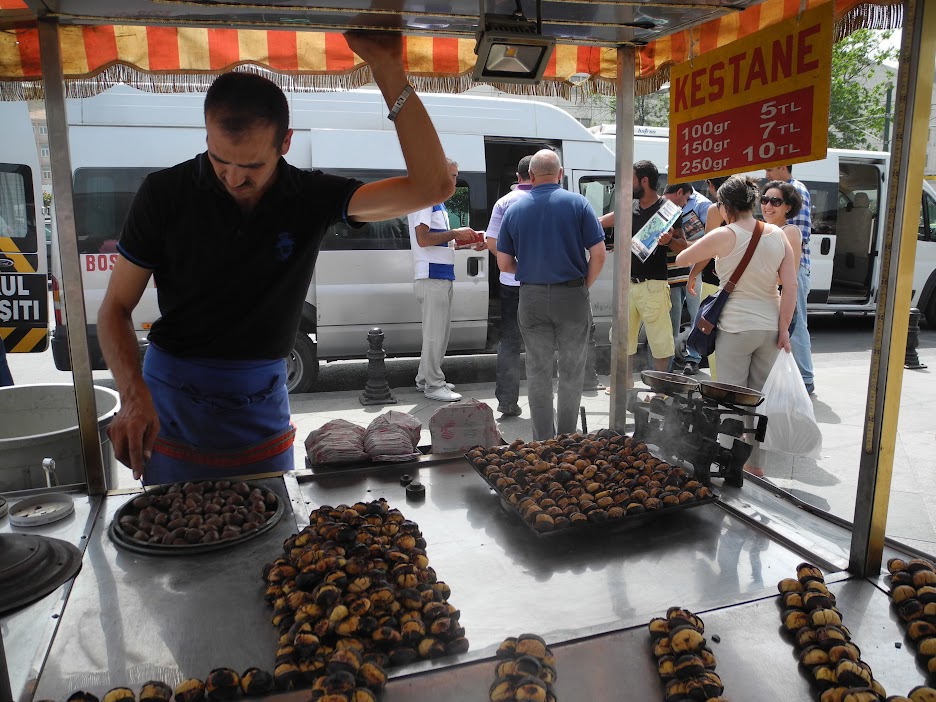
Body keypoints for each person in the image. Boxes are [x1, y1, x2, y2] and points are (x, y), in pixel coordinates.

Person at [98, 32, 456, 485]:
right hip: (171, 398)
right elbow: (114, 309)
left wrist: (388, 70)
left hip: (262, 395)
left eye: (251, 168)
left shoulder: (309, 196)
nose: (232, 178)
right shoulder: (163, 193)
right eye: (219, 160)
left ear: (284, 143)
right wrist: (132, 396)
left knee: (271, 530)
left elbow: (433, 187)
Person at [676, 176, 797, 476]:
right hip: (769, 327)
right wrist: (784, 329)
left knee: (729, 400)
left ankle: (726, 464)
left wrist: (711, 240)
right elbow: (791, 285)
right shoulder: (777, 234)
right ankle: (756, 466)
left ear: (725, 206)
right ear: (754, 203)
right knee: (757, 402)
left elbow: (682, 258)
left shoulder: (725, 234)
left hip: (735, 327)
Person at [496, 149, 606, 441]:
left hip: (530, 298)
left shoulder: (514, 210)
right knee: (571, 372)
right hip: (571, 296)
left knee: (538, 372)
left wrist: (531, 272)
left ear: (530, 177)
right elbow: (598, 254)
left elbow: (505, 264)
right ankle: (567, 440)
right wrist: (583, 285)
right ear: (560, 174)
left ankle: (543, 442)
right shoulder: (579, 204)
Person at [599, 160, 687, 386]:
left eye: (632, 179)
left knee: (660, 340)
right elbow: (600, 222)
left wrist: (669, 241)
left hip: (654, 284)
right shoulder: (629, 207)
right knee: (622, 338)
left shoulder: (668, 211)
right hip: (628, 284)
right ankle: (625, 383)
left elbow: (683, 246)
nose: (627, 184)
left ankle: (659, 388)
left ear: (644, 181)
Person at [407, 158, 481, 402]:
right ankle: (433, 384)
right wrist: (456, 234)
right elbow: (423, 239)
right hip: (432, 275)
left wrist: (463, 242)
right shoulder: (426, 199)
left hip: (438, 274)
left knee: (437, 333)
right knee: (435, 334)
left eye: (456, 176)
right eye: (451, 175)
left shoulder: (434, 201)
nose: (454, 181)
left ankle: (425, 379)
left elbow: (434, 241)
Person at [485, 155, 534, 417]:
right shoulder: (549, 199)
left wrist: (511, 264)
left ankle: (507, 400)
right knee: (541, 341)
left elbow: (492, 242)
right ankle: (542, 400)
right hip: (542, 283)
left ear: (518, 176)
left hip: (511, 283)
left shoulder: (504, 202)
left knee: (510, 341)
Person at [765, 164, 815, 394]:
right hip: (786, 272)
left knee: (796, 325)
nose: (768, 205)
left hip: (793, 270)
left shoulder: (796, 191)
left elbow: (797, 236)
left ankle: (804, 379)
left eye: (774, 201)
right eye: (764, 200)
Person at [663, 183, 711, 375]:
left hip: (694, 266)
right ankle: (671, 357)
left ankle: (693, 358)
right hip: (672, 270)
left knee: (696, 314)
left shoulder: (701, 204)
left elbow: (710, 238)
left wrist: (685, 245)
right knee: (672, 315)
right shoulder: (665, 206)